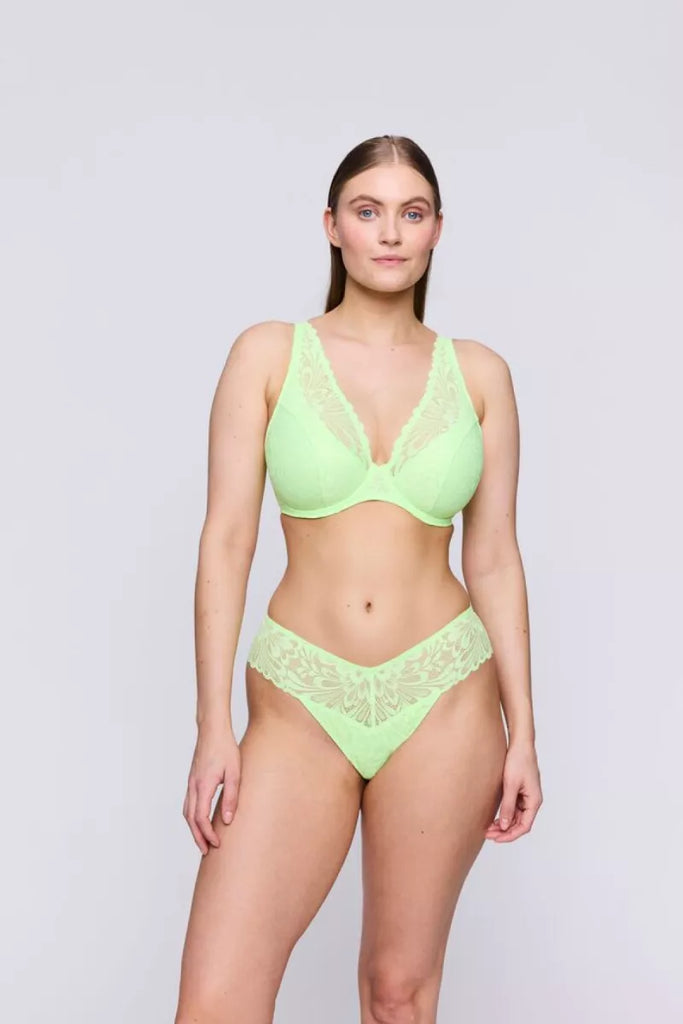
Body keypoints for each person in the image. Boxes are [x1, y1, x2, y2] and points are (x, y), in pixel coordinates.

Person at [174, 134, 542, 1024]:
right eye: (367, 211)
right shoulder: (268, 354)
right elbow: (226, 539)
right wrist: (213, 724)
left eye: (411, 213)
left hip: (444, 694)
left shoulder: (479, 374)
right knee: (216, 1003)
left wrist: (524, 732)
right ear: (331, 226)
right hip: (301, 698)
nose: (390, 232)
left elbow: (493, 555)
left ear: (436, 230)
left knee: (397, 995)